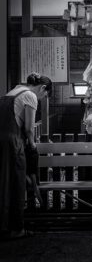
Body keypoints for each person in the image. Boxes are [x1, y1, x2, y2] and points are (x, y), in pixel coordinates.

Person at [0, 73, 52, 239]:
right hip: (13, 142)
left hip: (2, 142)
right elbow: (29, 128)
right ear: (43, 88)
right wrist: (32, 144)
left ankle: (4, 226)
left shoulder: (10, 93)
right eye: (45, 95)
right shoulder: (29, 95)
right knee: (16, 184)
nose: (43, 97)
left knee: (3, 184)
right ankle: (16, 229)